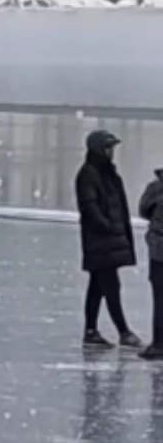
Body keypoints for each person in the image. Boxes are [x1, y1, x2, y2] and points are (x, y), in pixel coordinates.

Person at [77, 129, 142, 349]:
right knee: (110, 285)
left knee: (98, 284)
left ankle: (90, 330)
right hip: (101, 240)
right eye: (109, 148)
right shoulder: (89, 174)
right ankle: (123, 331)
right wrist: (104, 225)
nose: (112, 152)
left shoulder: (108, 174)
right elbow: (89, 205)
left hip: (109, 238)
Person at [136, 168, 163, 361]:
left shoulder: (156, 188)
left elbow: (144, 210)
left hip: (159, 250)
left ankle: (159, 343)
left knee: (160, 298)